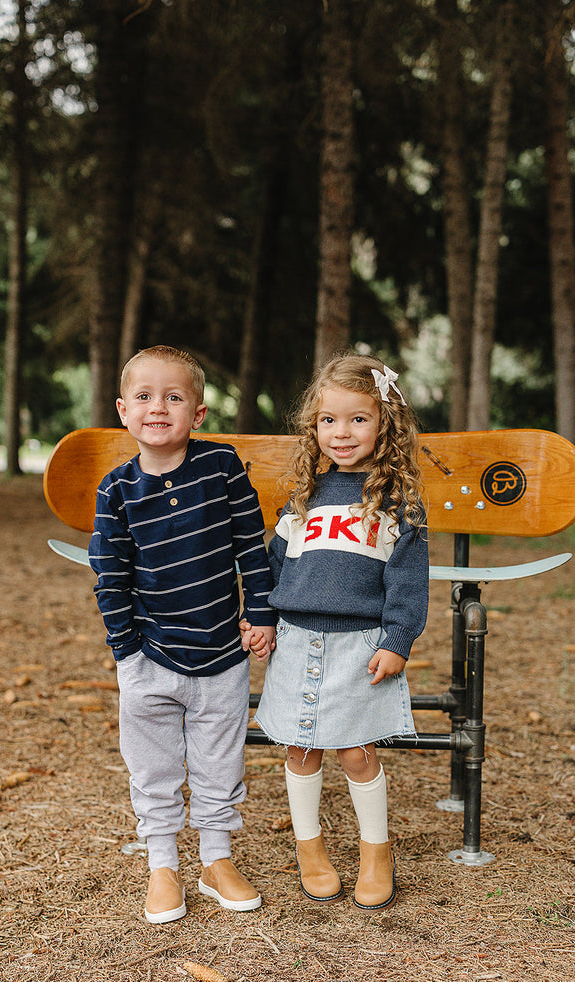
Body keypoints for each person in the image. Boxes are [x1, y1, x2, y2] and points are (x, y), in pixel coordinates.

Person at [89, 345, 276, 925]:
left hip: (222, 651)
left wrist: (264, 614)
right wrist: (125, 649)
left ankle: (216, 860)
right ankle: (163, 864)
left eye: (174, 397)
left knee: (221, 759)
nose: (158, 407)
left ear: (197, 413)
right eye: (144, 397)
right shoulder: (116, 490)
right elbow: (109, 572)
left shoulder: (221, 468)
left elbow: (252, 547)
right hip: (149, 654)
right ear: (123, 410)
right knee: (153, 765)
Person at [245, 352, 428, 911]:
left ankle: (377, 850)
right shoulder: (303, 496)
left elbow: (407, 580)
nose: (341, 433)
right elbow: (277, 566)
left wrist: (397, 640)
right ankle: (311, 849)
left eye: (357, 419)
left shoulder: (395, 501)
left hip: (360, 645)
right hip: (297, 638)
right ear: (313, 427)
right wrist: (263, 619)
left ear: (384, 425)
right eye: (328, 421)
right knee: (299, 749)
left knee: (353, 751)